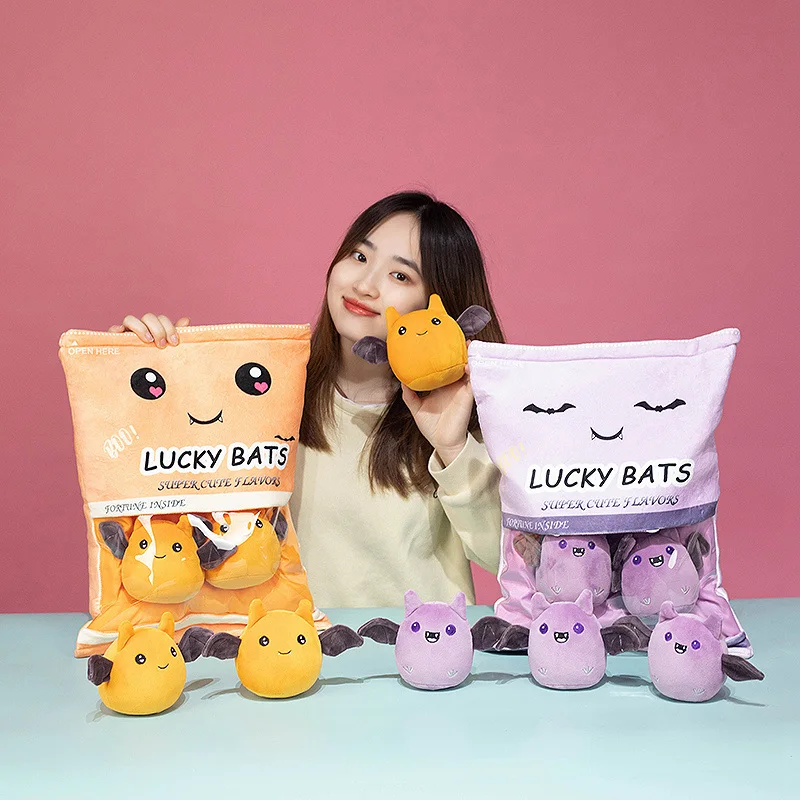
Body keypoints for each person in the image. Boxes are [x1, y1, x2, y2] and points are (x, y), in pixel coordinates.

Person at [111, 191, 505, 607]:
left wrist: (452, 449)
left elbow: (511, 560)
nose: (364, 285)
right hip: (286, 644)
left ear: (439, 305)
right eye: (359, 256)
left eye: (400, 276)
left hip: (422, 644)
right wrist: (138, 381)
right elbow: (167, 512)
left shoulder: (464, 414)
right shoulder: (261, 394)